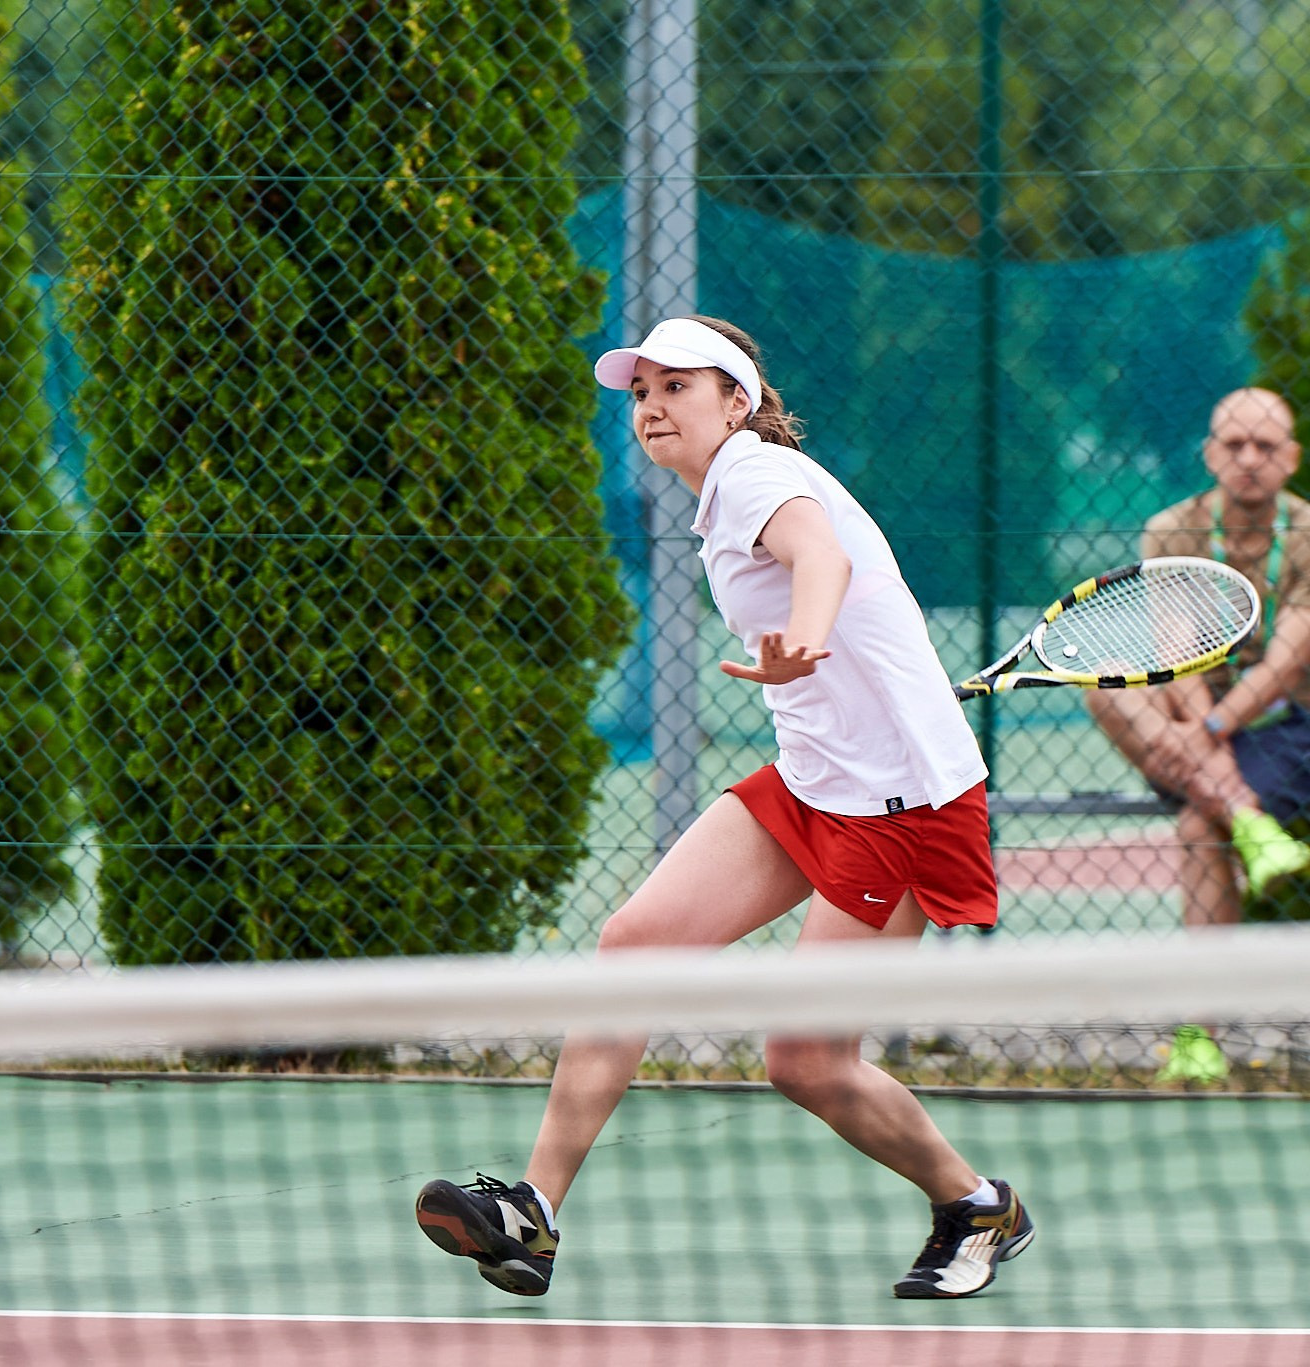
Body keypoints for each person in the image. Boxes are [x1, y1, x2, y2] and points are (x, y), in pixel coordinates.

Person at [413, 316, 1032, 1301]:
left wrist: (808, 639)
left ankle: (977, 1204)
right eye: (640, 392)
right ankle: (532, 1213)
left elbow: (820, 560)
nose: (652, 407)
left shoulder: (753, 472)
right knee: (633, 946)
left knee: (806, 1059)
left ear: (736, 401)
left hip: (900, 807)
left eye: (678, 386)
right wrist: (818, 660)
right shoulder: (724, 496)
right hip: (815, 778)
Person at [1083, 387, 1310, 1083]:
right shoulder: (1171, 530)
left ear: (1292, 458)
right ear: (1210, 453)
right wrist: (1203, 731)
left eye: (1265, 446)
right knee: (1104, 681)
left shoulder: (1308, 532)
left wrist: (1210, 728)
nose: (1249, 458)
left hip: (1287, 723)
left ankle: (1197, 1036)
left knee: (1195, 826)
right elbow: (1179, 652)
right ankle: (1247, 818)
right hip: (1188, 717)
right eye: (1234, 444)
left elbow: (1286, 661)